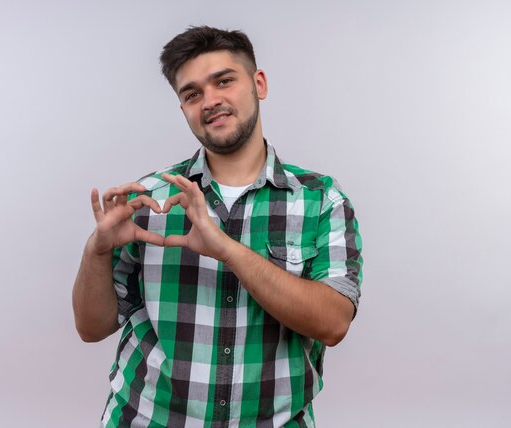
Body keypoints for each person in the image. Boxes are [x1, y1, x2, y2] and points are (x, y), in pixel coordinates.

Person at [72, 26, 363, 428]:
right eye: (192, 94)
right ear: (183, 108)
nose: (210, 101)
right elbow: (91, 327)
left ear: (258, 84)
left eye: (224, 81)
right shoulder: (149, 200)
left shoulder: (320, 200)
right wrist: (97, 251)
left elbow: (333, 324)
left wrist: (226, 248)